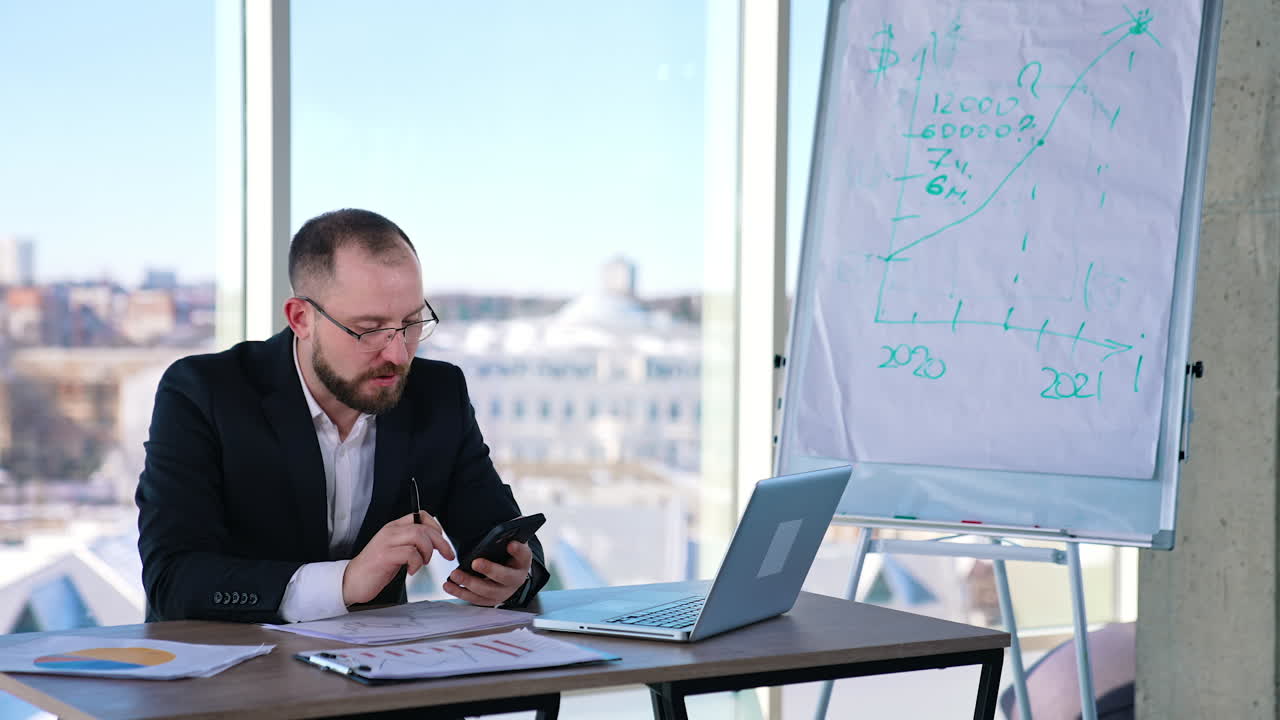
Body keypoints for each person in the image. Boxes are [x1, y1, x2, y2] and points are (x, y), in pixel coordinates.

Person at [136, 208, 548, 622]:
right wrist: (345, 581)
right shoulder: (202, 393)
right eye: (369, 329)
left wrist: (514, 574)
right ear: (302, 319)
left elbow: (503, 532)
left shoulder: (438, 394)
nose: (398, 353)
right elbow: (173, 579)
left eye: (411, 323)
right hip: (225, 668)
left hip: (379, 670)